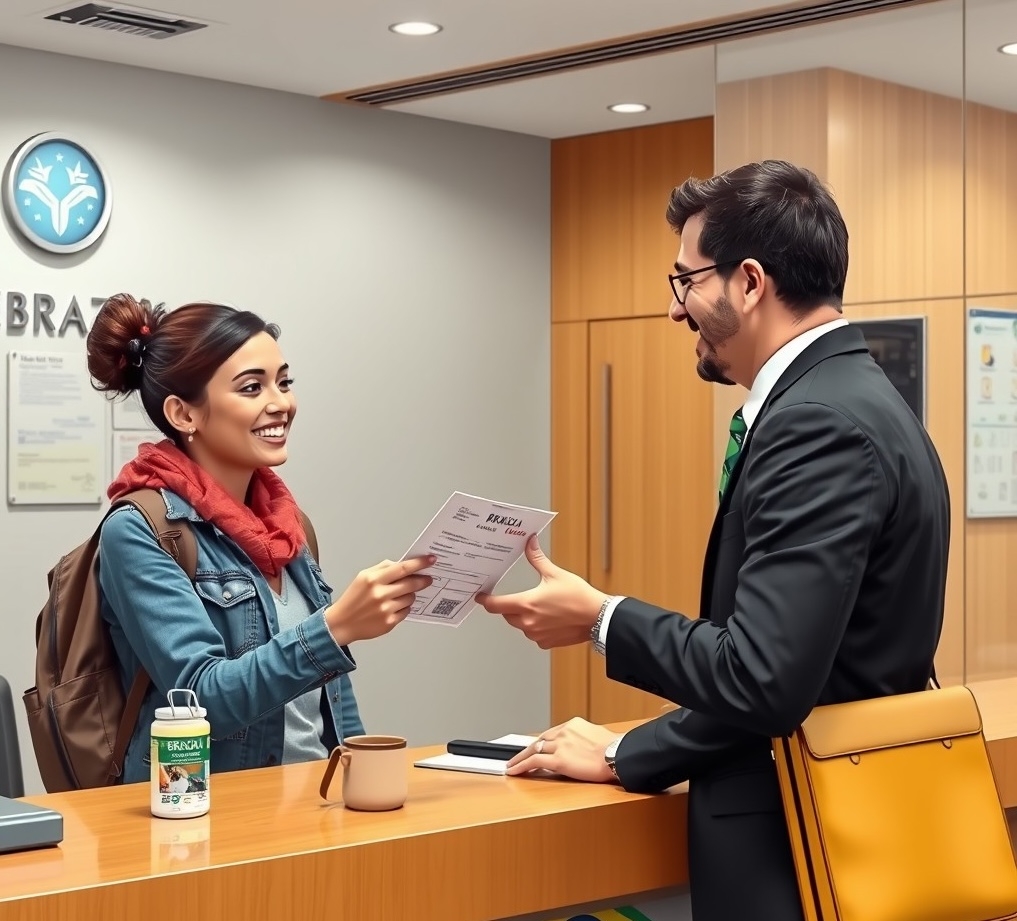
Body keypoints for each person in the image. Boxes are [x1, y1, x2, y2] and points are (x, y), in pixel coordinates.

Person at [477, 160, 950, 921]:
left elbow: (763, 679)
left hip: (800, 853)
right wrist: (622, 753)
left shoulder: (816, 424)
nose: (675, 311)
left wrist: (600, 617)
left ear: (750, 283)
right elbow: (805, 671)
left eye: (684, 281)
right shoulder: (863, 401)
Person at [87, 294, 433, 783]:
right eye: (252, 387)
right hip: (209, 814)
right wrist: (335, 628)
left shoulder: (288, 525)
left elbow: (330, 690)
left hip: (313, 802)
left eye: (284, 382)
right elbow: (200, 697)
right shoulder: (141, 530)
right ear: (184, 414)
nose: (282, 403)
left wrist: (361, 778)